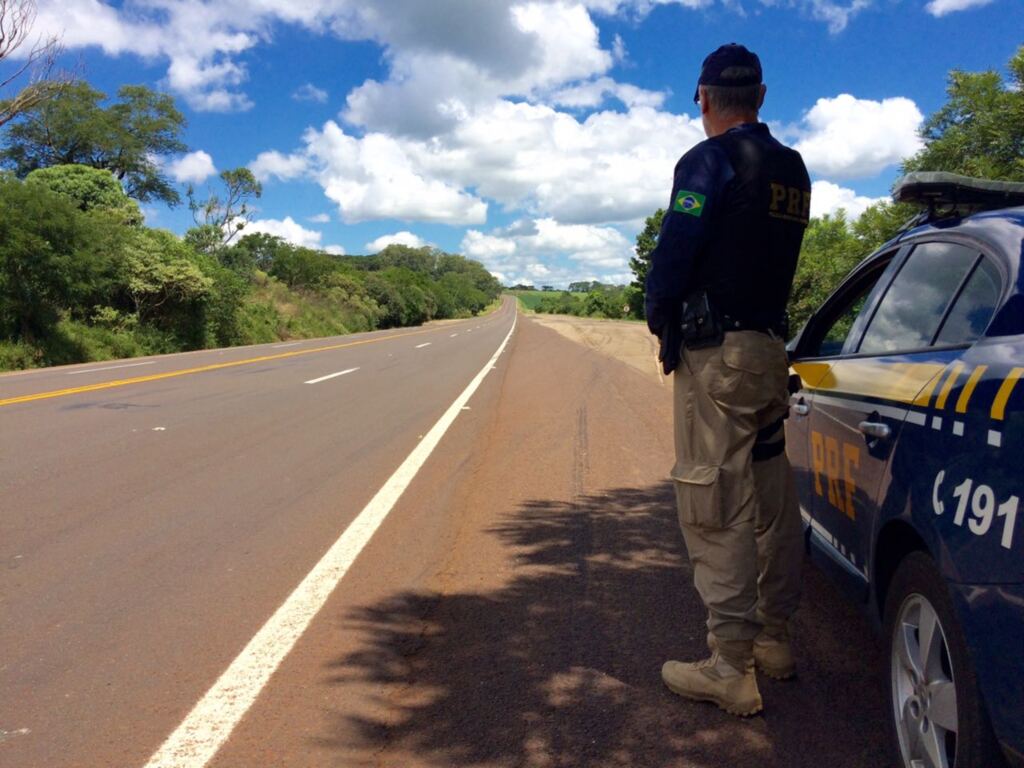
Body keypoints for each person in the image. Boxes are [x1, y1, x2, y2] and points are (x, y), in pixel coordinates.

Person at [644, 43, 811, 717]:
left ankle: (730, 666)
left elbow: (675, 251)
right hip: (769, 351)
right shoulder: (792, 168)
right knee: (771, 498)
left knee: (714, 501)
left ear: (704, 98)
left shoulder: (706, 161)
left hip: (718, 355)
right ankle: (774, 638)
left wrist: (661, 321)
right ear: (762, 97)